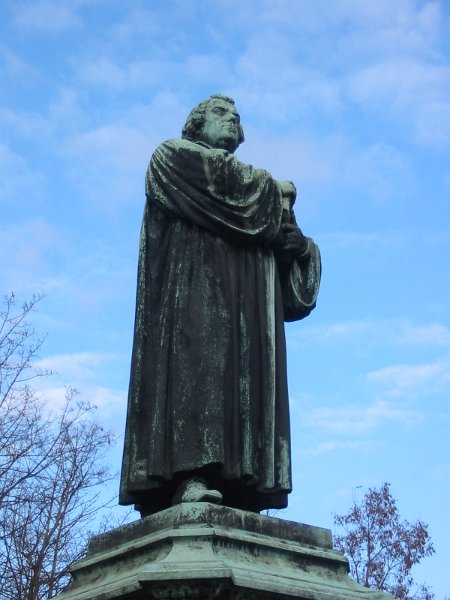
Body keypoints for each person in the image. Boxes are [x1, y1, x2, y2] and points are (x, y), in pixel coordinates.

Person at [119, 94, 321, 516]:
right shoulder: (172, 160)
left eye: (236, 116)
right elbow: (237, 191)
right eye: (220, 113)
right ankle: (191, 475)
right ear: (196, 124)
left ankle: (244, 485)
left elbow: (293, 289)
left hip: (251, 316)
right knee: (200, 372)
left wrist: (298, 246)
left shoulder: (257, 200)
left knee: (246, 386)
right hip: (195, 297)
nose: (231, 120)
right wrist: (276, 192)